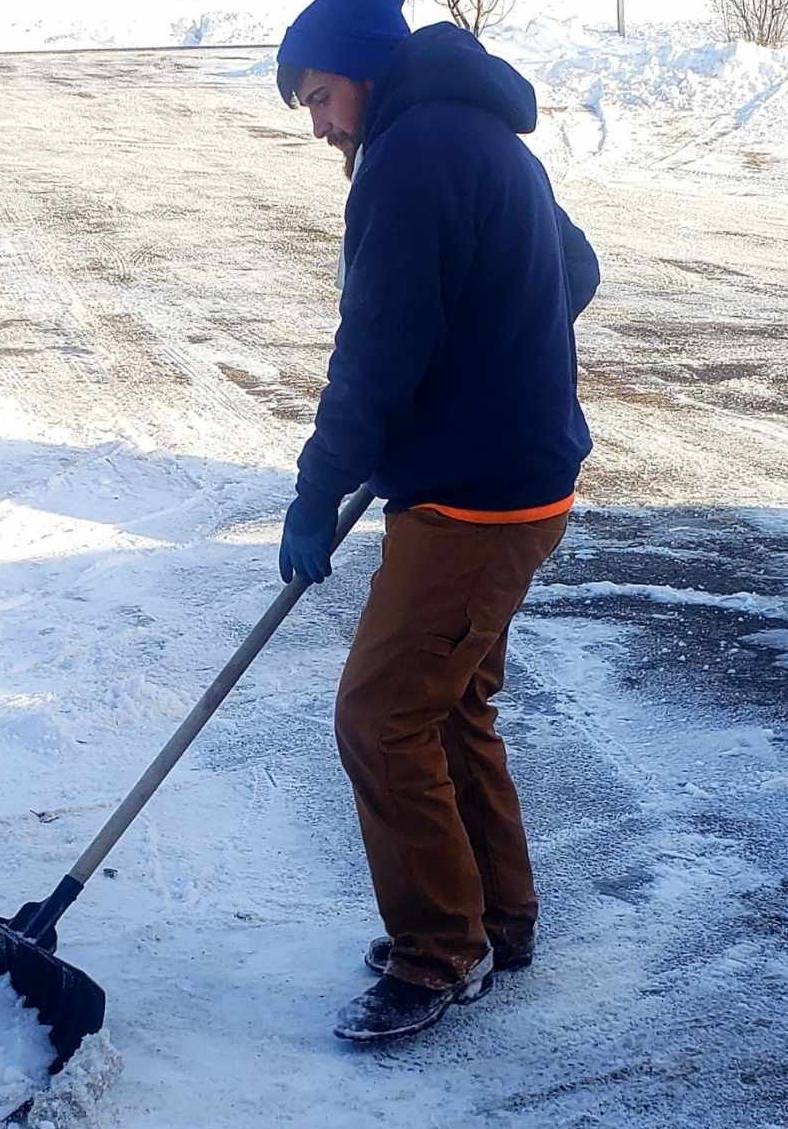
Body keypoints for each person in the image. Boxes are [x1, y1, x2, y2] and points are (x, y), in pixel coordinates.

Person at [274, 0, 598, 1042]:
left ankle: (439, 952)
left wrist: (317, 485)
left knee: (381, 716)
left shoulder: (412, 155)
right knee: (449, 707)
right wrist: (494, 350)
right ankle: (498, 920)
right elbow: (573, 270)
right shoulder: (478, 131)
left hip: (475, 502)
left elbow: (376, 348)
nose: (319, 124)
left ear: (362, 71)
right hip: (516, 483)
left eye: (320, 96)